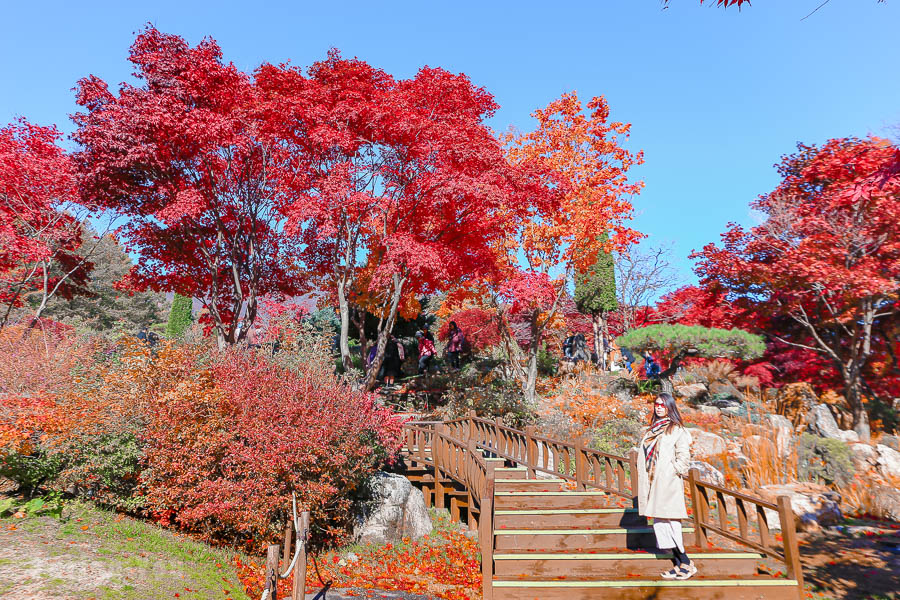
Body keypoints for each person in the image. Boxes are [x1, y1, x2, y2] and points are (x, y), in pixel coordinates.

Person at [636, 393, 695, 580]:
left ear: (670, 407)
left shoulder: (676, 429)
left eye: (663, 405)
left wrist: (673, 471)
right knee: (660, 524)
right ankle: (678, 565)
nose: (659, 407)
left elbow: (683, 456)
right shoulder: (650, 430)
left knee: (672, 523)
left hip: (668, 483)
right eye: (657, 404)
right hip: (653, 482)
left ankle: (686, 562)